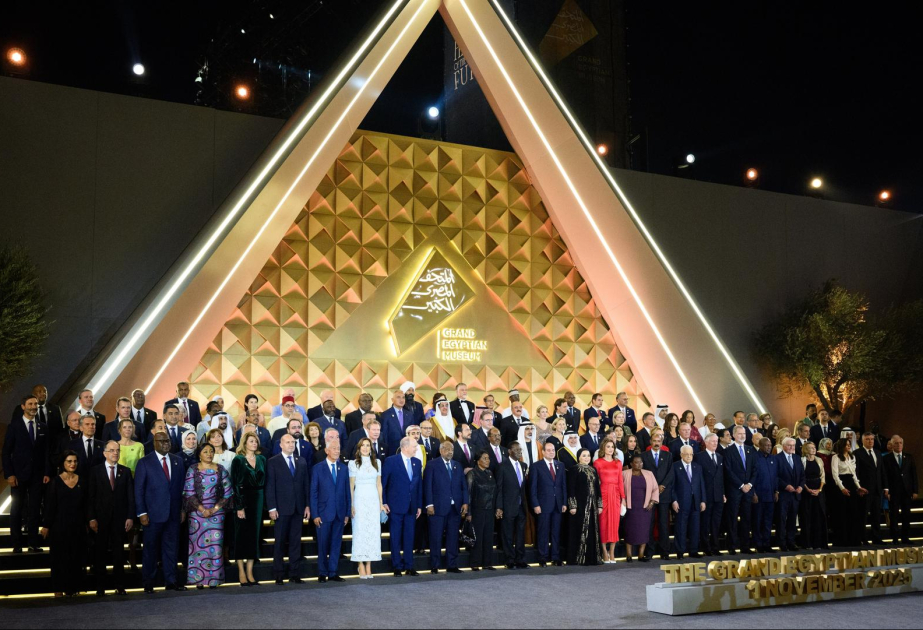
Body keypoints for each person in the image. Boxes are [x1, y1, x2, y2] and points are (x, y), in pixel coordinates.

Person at [135, 431, 186, 593]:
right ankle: (148, 582)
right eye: (162, 441)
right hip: (152, 515)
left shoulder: (178, 461)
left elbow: (182, 489)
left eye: (168, 441)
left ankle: (171, 581)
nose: (166, 443)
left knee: (171, 548)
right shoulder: (144, 462)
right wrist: (142, 513)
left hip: (173, 514)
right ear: (154, 442)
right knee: (150, 549)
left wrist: (183, 509)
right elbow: (139, 490)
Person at [3, 394, 51, 553]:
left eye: (35, 404)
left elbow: (46, 452)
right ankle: (16, 544)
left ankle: (32, 543)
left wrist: (46, 472)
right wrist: (9, 474)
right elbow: (5, 452)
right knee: (17, 509)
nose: (33, 407)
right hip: (18, 476)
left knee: (35, 509)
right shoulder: (14, 426)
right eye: (30, 404)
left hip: (37, 476)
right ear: (23, 407)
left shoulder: (43, 427)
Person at [183, 443, 233, 589]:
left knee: (215, 546)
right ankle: (198, 579)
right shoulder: (192, 469)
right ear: (199, 454)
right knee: (197, 547)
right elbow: (188, 492)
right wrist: (202, 508)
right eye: (205, 451)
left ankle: (214, 580)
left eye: (211, 451)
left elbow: (228, 492)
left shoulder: (220, 469)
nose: (209, 454)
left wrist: (215, 508)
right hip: (196, 514)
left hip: (217, 514)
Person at [87, 441, 134, 596]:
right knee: (100, 553)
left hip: (120, 519)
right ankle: (100, 586)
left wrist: (130, 517)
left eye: (117, 450)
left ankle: (119, 585)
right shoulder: (95, 471)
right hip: (100, 519)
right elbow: (91, 497)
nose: (115, 453)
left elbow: (130, 497)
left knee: (119, 553)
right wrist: (92, 517)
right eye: (112, 450)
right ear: (104, 453)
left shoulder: (125, 472)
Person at [266, 434, 311, 584]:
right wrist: (272, 508)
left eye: (293, 442)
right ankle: (278, 575)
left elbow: (306, 485)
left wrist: (307, 505)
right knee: (279, 543)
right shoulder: (273, 462)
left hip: (298, 509)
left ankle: (294, 574)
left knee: (295, 542)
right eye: (288, 442)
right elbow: (270, 486)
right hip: (281, 509)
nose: (291, 444)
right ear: (281, 444)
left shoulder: (302, 461)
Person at [42, 451, 86, 597]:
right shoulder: (55, 482)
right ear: (63, 464)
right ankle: (58, 589)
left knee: (76, 557)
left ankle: (73, 588)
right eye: (69, 461)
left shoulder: (82, 481)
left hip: (78, 526)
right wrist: (46, 525)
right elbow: (50, 506)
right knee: (59, 559)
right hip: (59, 526)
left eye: (74, 461)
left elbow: (87, 504)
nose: (72, 464)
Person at [424, 440, 468, 574]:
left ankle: (452, 564)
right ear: (441, 450)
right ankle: (435, 565)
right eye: (447, 449)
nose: (450, 452)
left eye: (452, 450)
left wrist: (465, 502)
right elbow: (427, 486)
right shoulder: (432, 465)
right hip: (437, 508)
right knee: (436, 537)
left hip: (455, 509)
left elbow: (463, 486)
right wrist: (429, 504)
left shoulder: (457, 465)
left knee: (453, 538)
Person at [382, 436, 423, 576]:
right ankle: (397, 566)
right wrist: (384, 502)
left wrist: (418, 505)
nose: (416, 449)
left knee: (409, 537)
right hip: (395, 507)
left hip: (412, 507)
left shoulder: (417, 463)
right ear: (405, 447)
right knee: (395, 537)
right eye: (414, 446)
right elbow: (384, 484)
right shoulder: (390, 461)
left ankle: (409, 565)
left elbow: (418, 486)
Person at [232, 432, 266, 586]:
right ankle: (241, 571)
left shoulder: (262, 459)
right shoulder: (238, 459)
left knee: (254, 535)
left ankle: (250, 572)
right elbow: (235, 484)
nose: (254, 443)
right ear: (244, 443)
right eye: (251, 441)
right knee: (241, 536)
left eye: (256, 441)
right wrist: (239, 506)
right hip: (243, 498)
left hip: (258, 499)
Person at [348, 437, 384, 579]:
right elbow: (351, 486)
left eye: (368, 445)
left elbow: (379, 484)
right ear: (358, 448)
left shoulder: (377, 463)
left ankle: (369, 564)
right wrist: (351, 504)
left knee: (372, 532)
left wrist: (381, 503)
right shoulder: (353, 464)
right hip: (359, 500)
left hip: (373, 500)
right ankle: (360, 564)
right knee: (360, 531)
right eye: (362, 445)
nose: (365, 448)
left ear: (371, 448)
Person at [529, 441, 567, 567]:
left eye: (553, 450)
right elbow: (532, 488)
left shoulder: (560, 465)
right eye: (549, 450)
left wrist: (564, 502)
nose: (551, 452)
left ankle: (555, 557)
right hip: (543, 505)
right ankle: (543, 557)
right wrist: (535, 504)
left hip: (558, 504)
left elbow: (563, 486)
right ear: (543, 452)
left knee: (556, 532)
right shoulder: (536, 466)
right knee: (543, 532)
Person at [564, 448, 603, 566]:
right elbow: (571, 488)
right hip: (580, 506)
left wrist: (599, 504)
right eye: (584, 455)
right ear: (579, 457)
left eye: (588, 456)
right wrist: (572, 505)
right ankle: (579, 558)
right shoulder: (574, 470)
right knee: (579, 529)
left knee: (592, 529)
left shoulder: (593, 469)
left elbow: (597, 488)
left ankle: (592, 558)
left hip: (592, 506)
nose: (586, 458)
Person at [724, 425, 758, 555]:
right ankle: (732, 546)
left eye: (744, 433)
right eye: (739, 433)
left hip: (748, 489)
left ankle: (745, 546)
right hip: (734, 490)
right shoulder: (728, 451)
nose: (742, 436)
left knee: (746, 518)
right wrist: (740, 485)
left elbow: (755, 469)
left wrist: (749, 484)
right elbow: (728, 471)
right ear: (733, 435)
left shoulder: (750, 450)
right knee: (732, 518)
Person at [641, 433, 674, 560]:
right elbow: (642, 473)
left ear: (662, 442)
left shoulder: (668, 455)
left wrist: (663, 486)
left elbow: (671, 473)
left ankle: (665, 551)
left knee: (663, 523)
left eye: (658, 441)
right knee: (649, 523)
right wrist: (653, 488)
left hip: (663, 494)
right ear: (650, 441)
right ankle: (649, 552)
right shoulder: (644, 456)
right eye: (654, 441)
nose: (656, 443)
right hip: (649, 494)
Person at [496, 441, 528, 569]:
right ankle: (509, 559)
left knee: (521, 534)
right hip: (508, 505)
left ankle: (520, 559)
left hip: (521, 506)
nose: (519, 451)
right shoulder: (502, 466)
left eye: (520, 449)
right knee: (508, 534)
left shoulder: (524, 465)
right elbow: (499, 488)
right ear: (509, 451)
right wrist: (499, 507)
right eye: (516, 449)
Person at [591, 438, 624, 563]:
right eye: (608, 446)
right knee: (603, 523)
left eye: (612, 447)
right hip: (603, 493)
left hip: (615, 494)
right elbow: (596, 482)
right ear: (603, 448)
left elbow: (620, 481)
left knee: (615, 523)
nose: (610, 449)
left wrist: (623, 498)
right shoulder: (598, 463)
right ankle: (604, 551)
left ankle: (612, 552)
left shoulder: (618, 462)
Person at [622, 454, 659, 562]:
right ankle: (628, 555)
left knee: (644, 531)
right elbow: (619, 488)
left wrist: (652, 502)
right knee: (629, 530)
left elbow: (655, 489)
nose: (639, 464)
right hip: (630, 507)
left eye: (641, 462)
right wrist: (623, 502)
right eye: (637, 462)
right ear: (631, 464)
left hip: (645, 508)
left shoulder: (649, 474)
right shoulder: (624, 474)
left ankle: (641, 555)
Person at [671, 445, 706, 560]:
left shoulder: (697, 467)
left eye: (691, 454)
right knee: (681, 527)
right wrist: (674, 500)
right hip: (681, 502)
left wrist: (703, 500)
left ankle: (693, 550)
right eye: (686, 454)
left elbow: (701, 485)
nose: (689, 456)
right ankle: (680, 551)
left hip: (696, 502)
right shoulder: (675, 466)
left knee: (695, 528)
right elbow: (672, 486)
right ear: (681, 455)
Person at [882, 435, 918, 545]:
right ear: (892, 445)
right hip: (893, 491)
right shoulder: (886, 458)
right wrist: (886, 489)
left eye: (900, 443)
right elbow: (885, 475)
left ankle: (905, 537)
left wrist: (915, 491)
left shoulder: (909, 457)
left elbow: (914, 475)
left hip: (907, 491)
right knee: (894, 516)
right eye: (896, 443)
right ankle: (895, 538)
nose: (898, 445)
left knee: (906, 515)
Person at [465, 450, 497, 571]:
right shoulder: (472, 474)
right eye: (484, 458)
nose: (487, 460)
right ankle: (475, 562)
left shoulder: (490, 473)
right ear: (478, 461)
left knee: (488, 537)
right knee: (477, 537)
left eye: (488, 458)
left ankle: (487, 562)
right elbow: (468, 493)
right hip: (477, 510)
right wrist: (468, 512)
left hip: (489, 510)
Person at [694, 434, 725, 556]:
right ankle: (706, 547)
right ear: (706, 443)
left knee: (716, 523)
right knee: (706, 522)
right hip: (706, 495)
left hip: (718, 495)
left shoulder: (720, 457)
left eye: (716, 441)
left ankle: (715, 546)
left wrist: (723, 493)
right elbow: (698, 479)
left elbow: (721, 477)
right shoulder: (699, 457)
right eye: (713, 442)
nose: (715, 444)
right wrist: (701, 497)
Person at [830, 437, 864, 547]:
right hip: (840, 485)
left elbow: (854, 474)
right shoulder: (835, 457)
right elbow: (835, 474)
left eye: (849, 444)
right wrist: (842, 488)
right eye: (846, 444)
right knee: (841, 513)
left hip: (851, 484)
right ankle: (842, 540)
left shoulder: (852, 456)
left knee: (853, 512)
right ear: (842, 446)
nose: (849, 446)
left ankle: (853, 539)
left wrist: (858, 487)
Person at [853, 431, 885, 545]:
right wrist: (858, 487)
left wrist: (885, 487)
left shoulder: (877, 452)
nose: (870, 441)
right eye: (868, 439)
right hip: (864, 489)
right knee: (863, 516)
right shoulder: (857, 453)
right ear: (862, 440)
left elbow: (881, 471)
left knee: (876, 515)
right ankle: (863, 538)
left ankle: (876, 537)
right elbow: (856, 472)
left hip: (877, 489)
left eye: (872, 439)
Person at [777, 437, 805, 551]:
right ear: (784, 446)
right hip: (783, 494)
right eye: (789, 445)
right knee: (782, 519)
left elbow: (803, 475)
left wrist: (801, 486)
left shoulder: (797, 458)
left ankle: (791, 542)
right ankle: (782, 543)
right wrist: (785, 486)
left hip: (795, 495)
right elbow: (776, 476)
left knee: (792, 520)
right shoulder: (777, 458)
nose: (792, 447)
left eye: (793, 445)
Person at [751, 437, 778, 553]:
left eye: (770, 445)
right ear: (760, 446)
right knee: (757, 521)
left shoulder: (773, 459)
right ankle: (758, 544)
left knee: (768, 521)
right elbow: (751, 477)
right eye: (766, 445)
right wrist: (753, 493)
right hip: (758, 496)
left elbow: (776, 476)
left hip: (770, 496)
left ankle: (767, 544)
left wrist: (776, 491)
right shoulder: (754, 458)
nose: (769, 447)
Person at [800, 441, 828, 550]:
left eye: (814, 447)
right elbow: (801, 477)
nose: (813, 449)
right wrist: (808, 489)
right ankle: (807, 543)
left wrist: (819, 489)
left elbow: (823, 476)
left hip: (818, 491)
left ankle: (818, 543)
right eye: (811, 448)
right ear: (806, 449)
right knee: (807, 517)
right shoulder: (802, 460)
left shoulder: (819, 460)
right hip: (806, 491)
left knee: (818, 516)